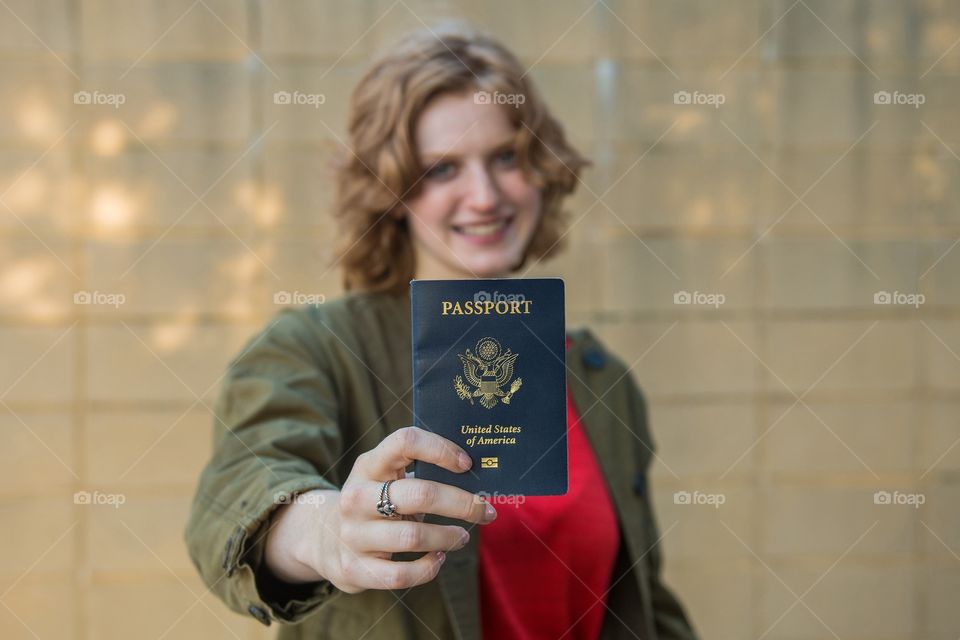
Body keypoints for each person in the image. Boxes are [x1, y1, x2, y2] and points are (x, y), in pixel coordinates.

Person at [185, 22, 698, 640]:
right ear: (394, 191)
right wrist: (325, 530)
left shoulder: (600, 378)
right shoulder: (316, 347)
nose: (483, 196)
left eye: (506, 157)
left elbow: (642, 598)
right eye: (442, 169)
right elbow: (239, 489)